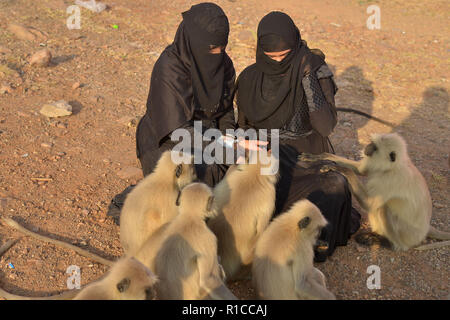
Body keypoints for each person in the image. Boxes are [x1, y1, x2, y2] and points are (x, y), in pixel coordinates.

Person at [235, 11, 360, 261]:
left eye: (285, 55)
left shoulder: (314, 71)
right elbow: (242, 128)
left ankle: (309, 247)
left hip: (307, 158)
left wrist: (307, 78)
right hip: (269, 160)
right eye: (272, 57)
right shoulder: (250, 77)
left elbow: (325, 127)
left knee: (335, 186)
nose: (279, 61)